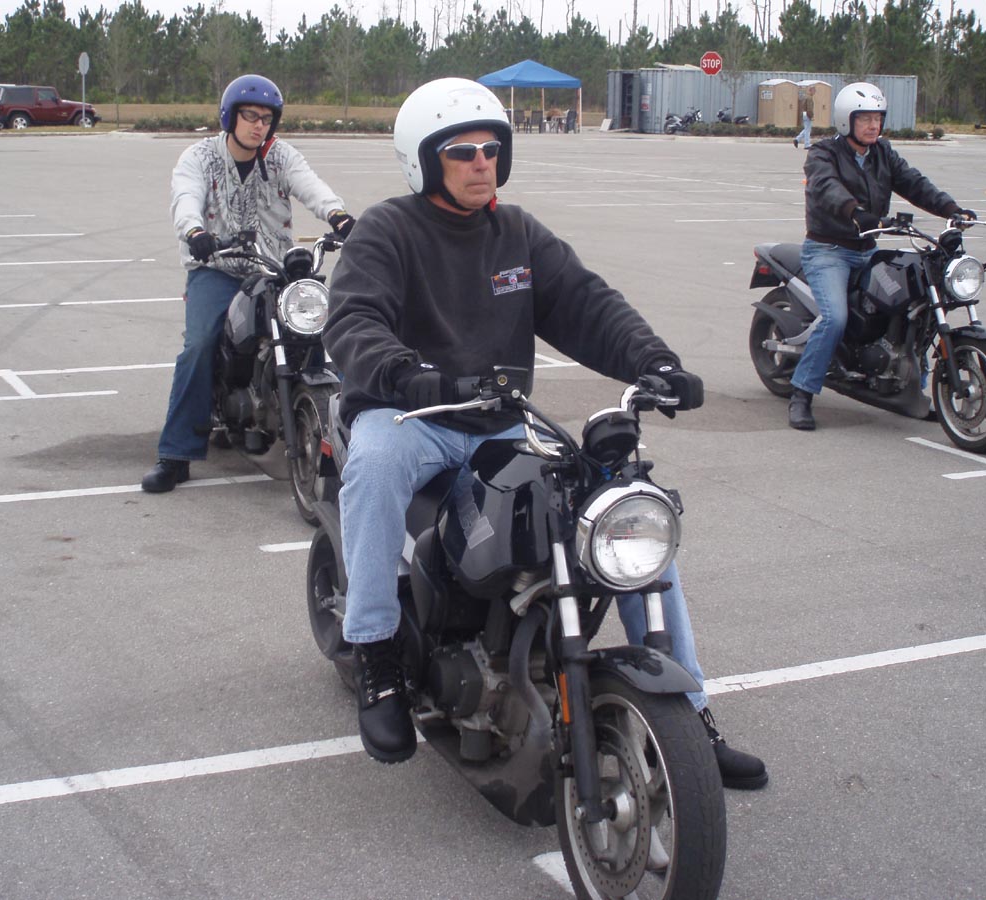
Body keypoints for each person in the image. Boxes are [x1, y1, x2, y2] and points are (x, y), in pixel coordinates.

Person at [323, 77, 767, 790]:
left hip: (500, 422)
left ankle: (688, 712)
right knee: (373, 466)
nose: (482, 162)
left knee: (620, 503)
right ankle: (375, 656)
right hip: (411, 415)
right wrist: (406, 374)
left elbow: (586, 303)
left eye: (491, 148)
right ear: (424, 160)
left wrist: (654, 361)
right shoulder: (387, 230)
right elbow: (353, 319)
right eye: (463, 151)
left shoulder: (518, 234)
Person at [141, 74, 356, 492]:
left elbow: (310, 185)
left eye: (266, 119)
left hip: (272, 266)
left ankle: (354, 439)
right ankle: (176, 454)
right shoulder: (200, 157)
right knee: (199, 345)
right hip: (216, 267)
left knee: (322, 332)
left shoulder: (280, 156)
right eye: (250, 116)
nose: (259, 125)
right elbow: (185, 196)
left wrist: (338, 216)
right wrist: (194, 231)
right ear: (230, 116)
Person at [788, 81, 975, 431]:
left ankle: (911, 389)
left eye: (877, 118)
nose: (873, 125)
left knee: (913, 305)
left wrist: (951, 209)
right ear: (846, 120)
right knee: (835, 319)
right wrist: (855, 212)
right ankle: (802, 393)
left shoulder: (883, 153)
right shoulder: (823, 154)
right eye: (865, 119)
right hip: (828, 250)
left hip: (867, 249)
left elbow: (913, 182)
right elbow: (827, 187)